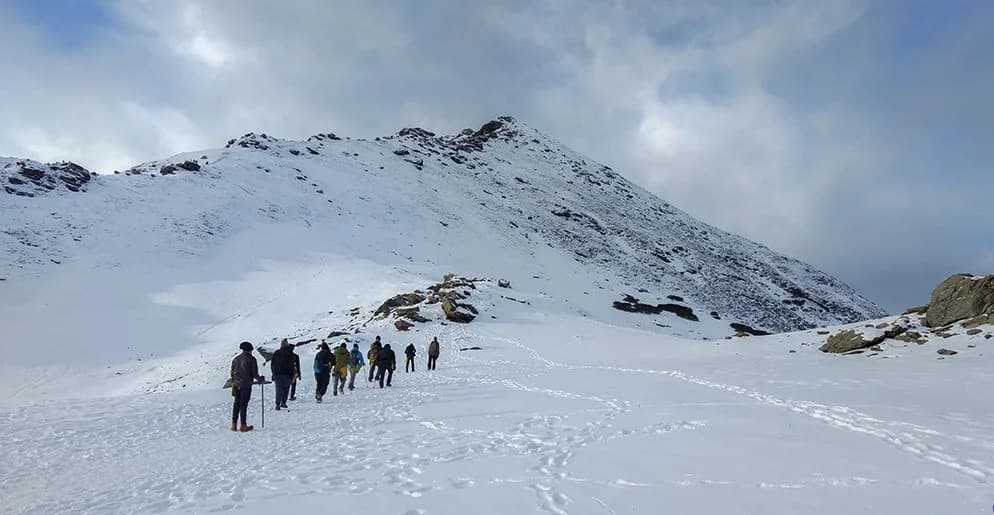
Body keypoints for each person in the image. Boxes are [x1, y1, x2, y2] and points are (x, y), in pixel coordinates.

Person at [230, 341, 264, 432]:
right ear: (250, 349)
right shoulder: (251, 359)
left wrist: (235, 380)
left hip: (236, 384)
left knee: (236, 404)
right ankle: (243, 425)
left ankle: (234, 425)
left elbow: (232, 372)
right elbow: (254, 374)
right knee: (243, 405)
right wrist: (260, 379)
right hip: (246, 385)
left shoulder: (236, 359)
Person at [270, 339, 295, 410]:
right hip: (287, 374)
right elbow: (291, 365)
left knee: (278, 390)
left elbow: (272, 364)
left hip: (277, 374)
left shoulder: (276, 353)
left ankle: (277, 404)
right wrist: (292, 374)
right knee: (286, 389)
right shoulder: (289, 353)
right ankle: (283, 403)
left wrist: (273, 373)